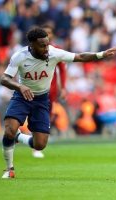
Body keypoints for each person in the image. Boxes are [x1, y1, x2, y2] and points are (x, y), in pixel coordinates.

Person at [0, 27, 116, 178]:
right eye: (42, 45)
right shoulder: (20, 56)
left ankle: (19, 137)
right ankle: (9, 169)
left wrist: (101, 54)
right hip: (22, 97)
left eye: (47, 44)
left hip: (42, 100)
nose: (46, 48)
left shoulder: (54, 53)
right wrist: (20, 86)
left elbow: (80, 57)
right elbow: (4, 79)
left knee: (40, 144)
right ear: (32, 45)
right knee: (9, 129)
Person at [29, 24, 68, 159]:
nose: (48, 35)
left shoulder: (56, 51)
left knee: (48, 114)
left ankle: (38, 141)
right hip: (34, 87)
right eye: (46, 33)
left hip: (50, 90)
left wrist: (63, 87)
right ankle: (34, 142)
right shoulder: (31, 51)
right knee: (34, 114)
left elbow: (62, 69)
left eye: (50, 33)